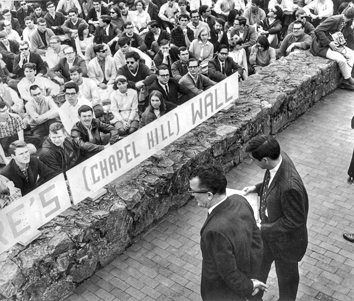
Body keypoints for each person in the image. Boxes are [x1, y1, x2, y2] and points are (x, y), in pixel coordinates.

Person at [242, 135, 309, 301]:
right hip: (269, 237)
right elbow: (271, 181)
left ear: (264, 159)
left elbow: (294, 222)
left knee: (287, 281)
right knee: (258, 270)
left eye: (253, 159)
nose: (252, 162)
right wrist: (256, 188)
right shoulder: (278, 159)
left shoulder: (290, 186)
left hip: (286, 245)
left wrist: (261, 228)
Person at [189, 165, 267, 301]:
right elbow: (257, 243)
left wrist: (248, 286)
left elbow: (228, 272)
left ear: (209, 195)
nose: (192, 194)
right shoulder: (240, 200)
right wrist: (252, 277)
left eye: (193, 191)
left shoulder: (214, 231)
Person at [311, 8, 354, 88]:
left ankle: (345, 81)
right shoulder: (334, 19)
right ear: (352, 18)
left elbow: (346, 33)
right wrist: (329, 43)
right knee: (341, 59)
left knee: (352, 55)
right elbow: (317, 30)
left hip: (334, 44)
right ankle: (349, 79)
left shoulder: (348, 22)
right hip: (321, 46)